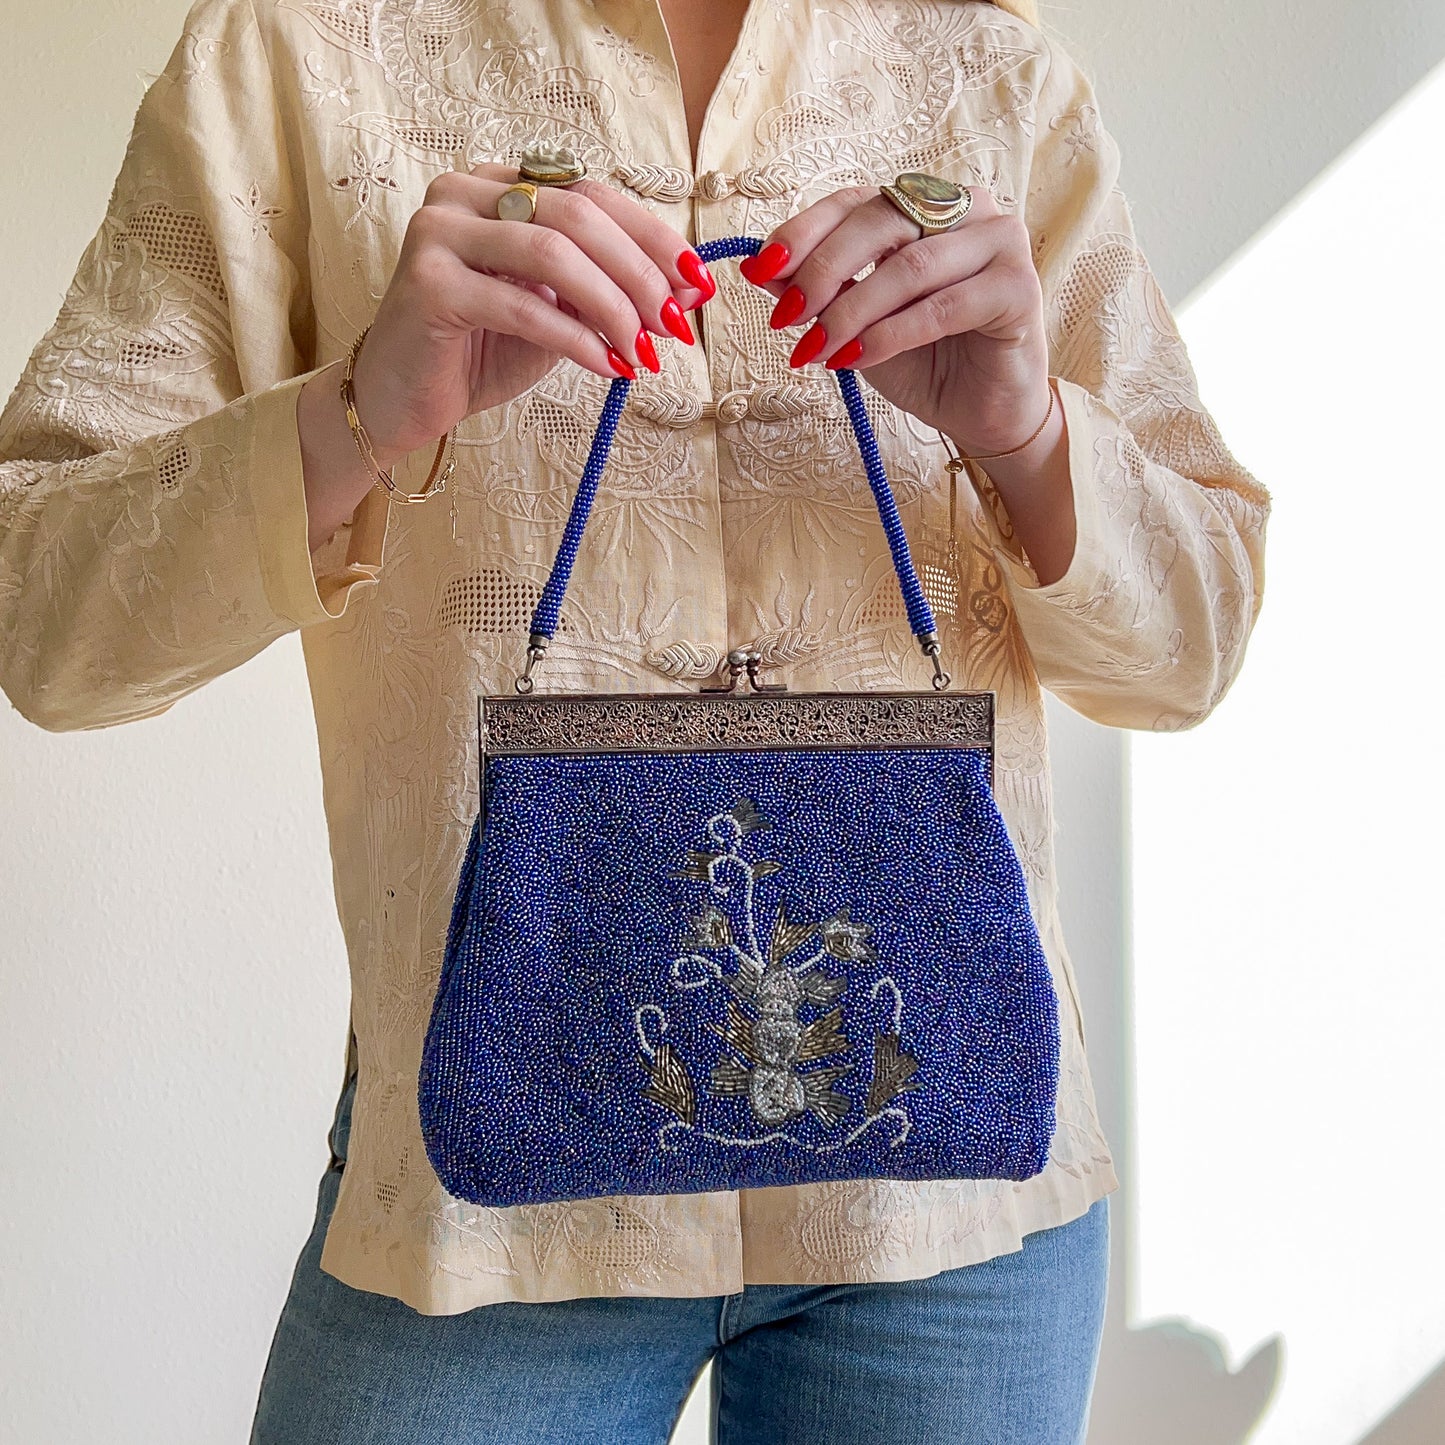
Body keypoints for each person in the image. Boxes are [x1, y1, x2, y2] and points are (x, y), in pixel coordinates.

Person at [0, 0, 1270, 1439]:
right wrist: (358, 411)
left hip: (951, 1210)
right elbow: (45, 624)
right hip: (487, 1202)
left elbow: (1194, 643)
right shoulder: (297, 53)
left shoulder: (982, 66)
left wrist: (1027, 436)